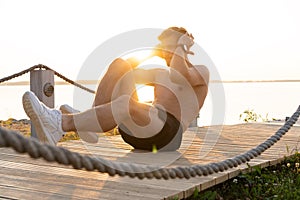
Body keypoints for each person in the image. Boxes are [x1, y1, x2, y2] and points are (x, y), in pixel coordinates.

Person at [22, 27, 209, 151]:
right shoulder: (160, 73)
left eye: (169, 45)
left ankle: (61, 124)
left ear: (182, 45)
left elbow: (178, 72)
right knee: (120, 65)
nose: (165, 50)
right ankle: (90, 121)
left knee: (127, 104)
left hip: (169, 134)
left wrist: (180, 45)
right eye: (163, 46)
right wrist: (152, 53)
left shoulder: (200, 71)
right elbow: (126, 73)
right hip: (138, 133)